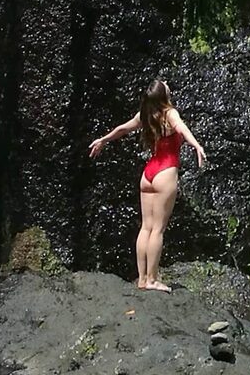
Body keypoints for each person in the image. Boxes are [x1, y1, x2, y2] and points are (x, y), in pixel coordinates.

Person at [89, 78, 208, 291]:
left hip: (148, 174)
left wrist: (103, 140)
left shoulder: (145, 115)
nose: (166, 82)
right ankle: (152, 280)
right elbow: (181, 129)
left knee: (146, 227)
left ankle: (142, 279)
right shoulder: (169, 113)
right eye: (164, 83)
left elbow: (122, 129)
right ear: (164, 94)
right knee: (158, 230)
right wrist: (197, 145)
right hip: (166, 172)